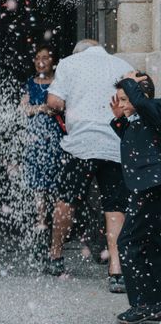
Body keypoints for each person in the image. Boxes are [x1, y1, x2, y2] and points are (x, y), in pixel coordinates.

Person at [45, 39, 133, 293]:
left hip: (80, 145)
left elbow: (54, 102)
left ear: (78, 51)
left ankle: (56, 256)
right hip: (113, 145)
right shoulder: (122, 65)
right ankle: (116, 271)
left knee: (67, 200)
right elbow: (132, 104)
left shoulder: (70, 63)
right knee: (115, 207)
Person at [110, 72, 161, 324]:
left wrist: (128, 79)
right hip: (148, 188)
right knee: (151, 245)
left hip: (151, 188)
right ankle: (155, 303)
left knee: (128, 242)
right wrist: (119, 120)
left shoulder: (155, 107)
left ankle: (143, 304)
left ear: (141, 95)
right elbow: (137, 145)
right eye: (119, 100)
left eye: (125, 99)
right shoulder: (143, 119)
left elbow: (141, 103)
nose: (122, 105)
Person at [19, 45, 65, 260]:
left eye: (44, 57)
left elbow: (64, 106)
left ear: (52, 60)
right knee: (38, 184)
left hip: (55, 139)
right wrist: (41, 109)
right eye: (37, 58)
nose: (40, 61)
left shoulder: (59, 82)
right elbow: (24, 109)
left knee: (55, 182)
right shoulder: (30, 83)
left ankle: (57, 225)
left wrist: (52, 109)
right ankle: (41, 224)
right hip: (34, 141)